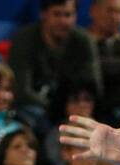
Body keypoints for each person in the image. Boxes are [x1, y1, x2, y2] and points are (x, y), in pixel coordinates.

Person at [7, 0, 101, 128]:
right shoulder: (24, 39)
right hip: (36, 107)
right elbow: (22, 91)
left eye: (68, 15)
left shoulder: (84, 41)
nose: (63, 21)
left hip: (72, 106)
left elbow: (93, 85)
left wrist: (76, 105)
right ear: (43, 14)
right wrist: (57, 108)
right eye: (57, 14)